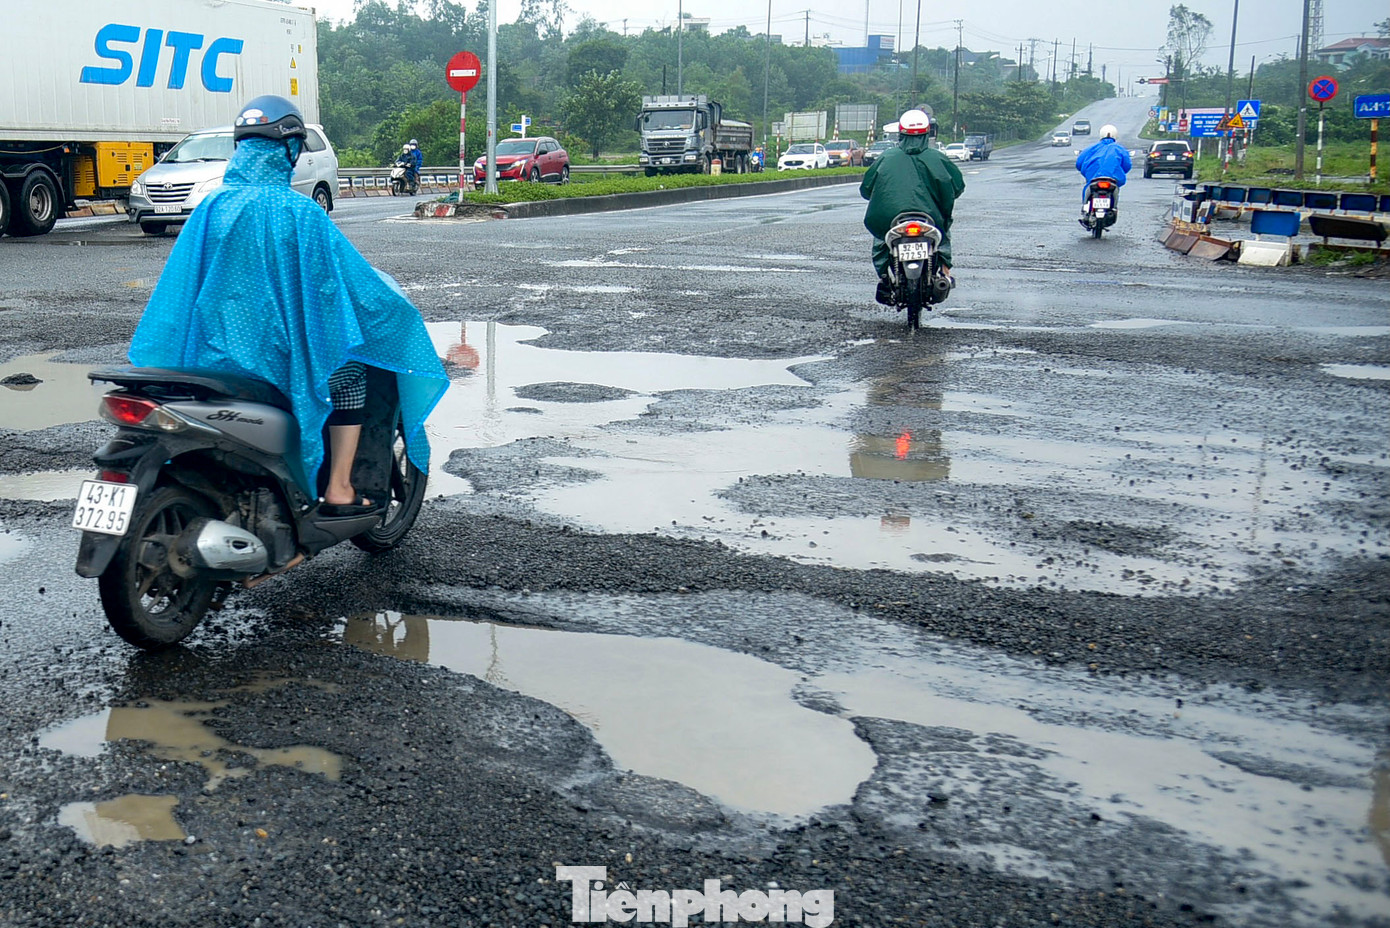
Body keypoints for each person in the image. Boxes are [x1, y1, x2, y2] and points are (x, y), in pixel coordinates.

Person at [129, 95, 447, 517]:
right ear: (291, 151)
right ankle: (337, 487)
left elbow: (176, 292)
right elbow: (344, 285)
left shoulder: (210, 208)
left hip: (205, 361)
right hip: (277, 364)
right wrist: (395, 307)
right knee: (351, 375)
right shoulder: (302, 213)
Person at [860, 109, 965, 305]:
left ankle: (884, 277)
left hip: (891, 219)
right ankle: (944, 271)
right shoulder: (937, 158)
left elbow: (866, 188)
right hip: (930, 217)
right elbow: (957, 186)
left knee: (881, 239)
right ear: (927, 133)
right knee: (943, 233)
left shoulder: (886, 157)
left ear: (901, 133)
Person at [1074, 124, 1131, 207]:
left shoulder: (1091, 148)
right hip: (1113, 180)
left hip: (1093, 178)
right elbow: (1127, 166)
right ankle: (1113, 207)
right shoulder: (1120, 149)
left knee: (1087, 192)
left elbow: (1079, 163)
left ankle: (1085, 207)